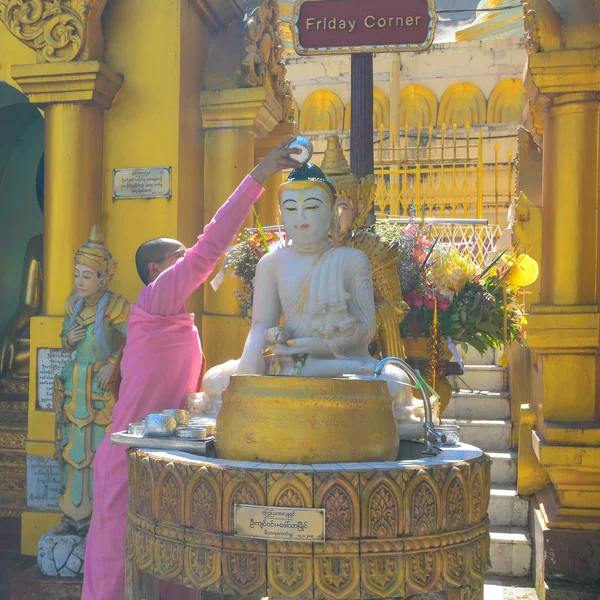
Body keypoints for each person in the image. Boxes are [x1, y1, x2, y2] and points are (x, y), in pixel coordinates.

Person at [82, 137, 301, 600]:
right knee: (114, 573)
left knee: (177, 569)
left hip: (167, 457)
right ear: (157, 270)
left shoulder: (173, 320)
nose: (191, 263)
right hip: (127, 461)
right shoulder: (156, 299)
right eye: (178, 259)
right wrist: (258, 176)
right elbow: (209, 248)